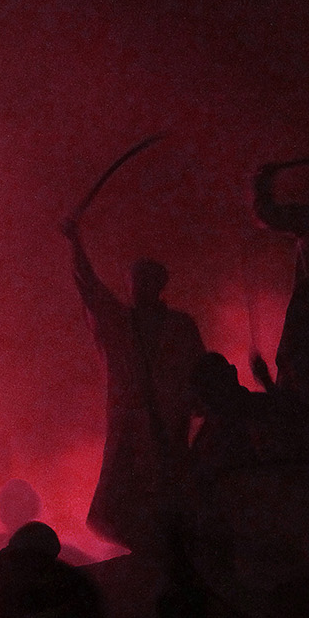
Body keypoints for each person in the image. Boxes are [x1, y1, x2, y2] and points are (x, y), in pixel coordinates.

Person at [63, 217, 206, 553]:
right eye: (134, 281)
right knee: (113, 509)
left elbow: (199, 372)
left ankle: (170, 550)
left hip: (169, 427)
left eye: (144, 281)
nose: (137, 287)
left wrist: (199, 405)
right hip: (131, 428)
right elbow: (89, 286)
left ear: (158, 285)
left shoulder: (179, 327)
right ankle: (153, 550)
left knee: (173, 502)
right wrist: (75, 243)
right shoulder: (120, 323)